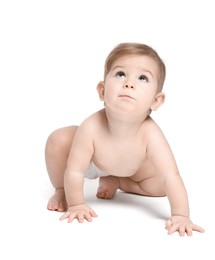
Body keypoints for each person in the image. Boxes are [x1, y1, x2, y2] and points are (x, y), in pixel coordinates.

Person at [45, 42, 205, 236]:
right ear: (102, 90)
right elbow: (75, 170)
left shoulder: (151, 134)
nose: (129, 83)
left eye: (143, 78)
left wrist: (181, 215)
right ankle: (60, 189)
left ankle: (117, 182)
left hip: (131, 169)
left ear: (156, 100)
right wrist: (77, 203)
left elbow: (171, 176)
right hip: (93, 160)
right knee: (58, 140)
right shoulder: (91, 126)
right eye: (121, 74)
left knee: (162, 186)